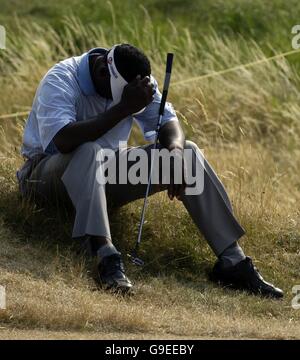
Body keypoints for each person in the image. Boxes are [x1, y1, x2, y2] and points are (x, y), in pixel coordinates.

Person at [16, 43, 283, 298]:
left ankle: (232, 262)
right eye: (121, 97)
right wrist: (123, 109)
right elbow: (63, 140)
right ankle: (104, 254)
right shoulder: (61, 78)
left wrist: (175, 154)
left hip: (102, 175)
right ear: (100, 73)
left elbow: (169, 122)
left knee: (187, 151)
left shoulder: (135, 82)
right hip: (44, 178)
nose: (127, 104)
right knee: (88, 151)